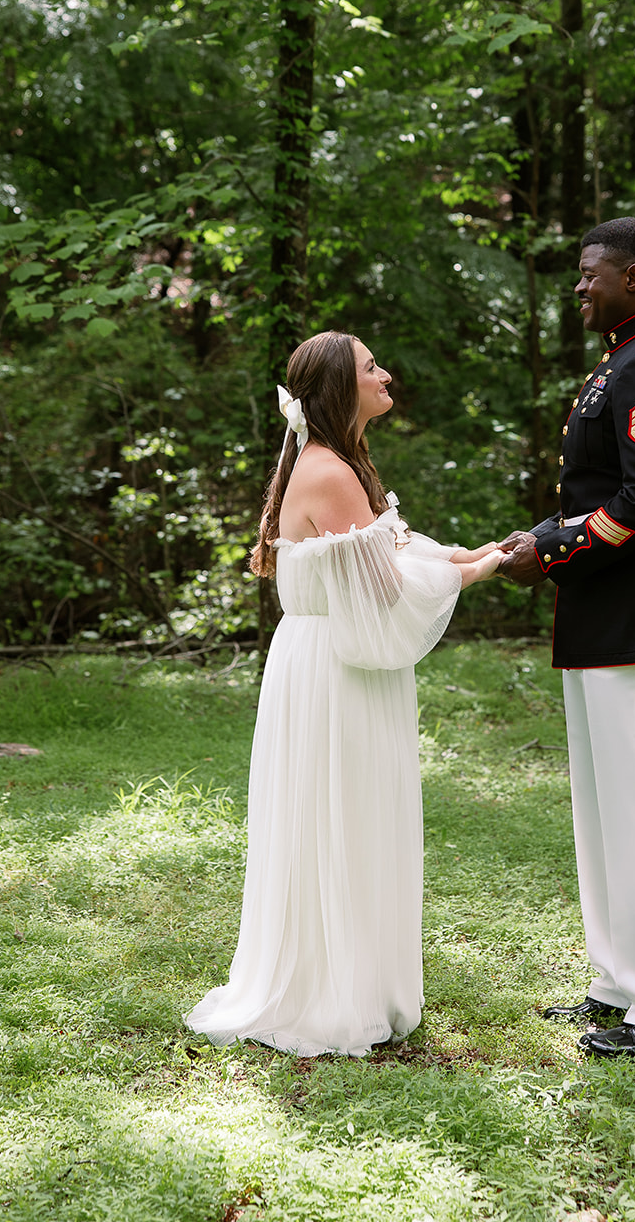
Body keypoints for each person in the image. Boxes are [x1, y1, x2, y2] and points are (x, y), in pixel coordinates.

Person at [185, 330, 502, 1056]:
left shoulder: (341, 464)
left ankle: (355, 978)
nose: (385, 373)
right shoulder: (328, 472)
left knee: (353, 814)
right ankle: (330, 994)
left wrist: (477, 551)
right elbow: (387, 586)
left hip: (335, 659)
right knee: (341, 814)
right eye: (370, 367)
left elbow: (397, 548)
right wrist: (484, 572)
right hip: (332, 668)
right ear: (338, 389)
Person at [500, 217, 635, 1060]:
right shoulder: (624, 358)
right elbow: (604, 486)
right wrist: (542, 537)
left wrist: (552, 548)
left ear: (634, 277)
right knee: (600, 810)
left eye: (591, 275)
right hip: (602, 611)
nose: (578, 287)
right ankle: (619, 984)